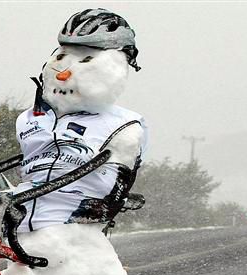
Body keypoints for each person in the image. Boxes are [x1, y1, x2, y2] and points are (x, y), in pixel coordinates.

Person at [13, 8, 148, 232]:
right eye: (62, 57)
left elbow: (116, 189)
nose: (63, 74)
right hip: (20, 232)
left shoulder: (124, 125)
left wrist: (100, 207)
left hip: (75, 239)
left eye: (87, 60)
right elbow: (30, 172)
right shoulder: (30, 119)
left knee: (81, 264)